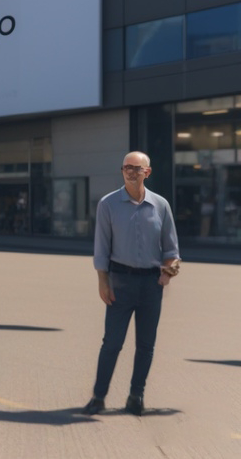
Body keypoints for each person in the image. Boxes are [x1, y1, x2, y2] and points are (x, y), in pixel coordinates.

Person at [82, 151, 181, 417]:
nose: (131, 172)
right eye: (127, 167)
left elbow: (172, 250)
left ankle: (136, 396)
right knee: (112, 343)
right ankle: (98, 397)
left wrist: (167, 273)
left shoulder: (161, 205)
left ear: (147, 172)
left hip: (151, 285)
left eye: (137, 168)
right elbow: (101, 247)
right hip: (120, 282)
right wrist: (103, 281)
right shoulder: (108, 204)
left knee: (146, 346)